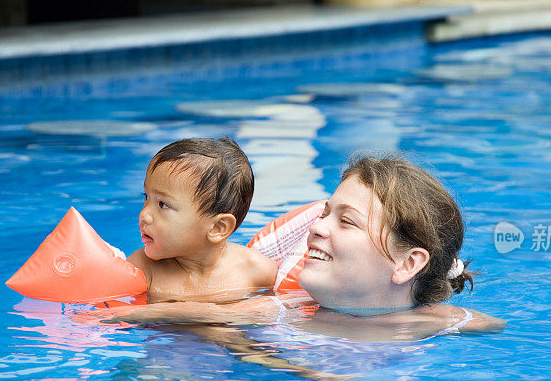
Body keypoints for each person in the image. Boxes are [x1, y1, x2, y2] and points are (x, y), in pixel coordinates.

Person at [105, 155, 505, 339]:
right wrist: (106, 318)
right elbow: (202, 311)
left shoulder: (451, 322)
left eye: (344, 220)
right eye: (324, 213)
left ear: (407, 264)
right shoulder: (288, 309)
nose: (316, 227)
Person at [127, 137, 277, 303]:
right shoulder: (141, 269)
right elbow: (118, 314)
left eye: (163, 204)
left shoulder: (256, 270)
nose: (144, 214)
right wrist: (206, 313)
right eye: (146, 197)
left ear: (218, 228)